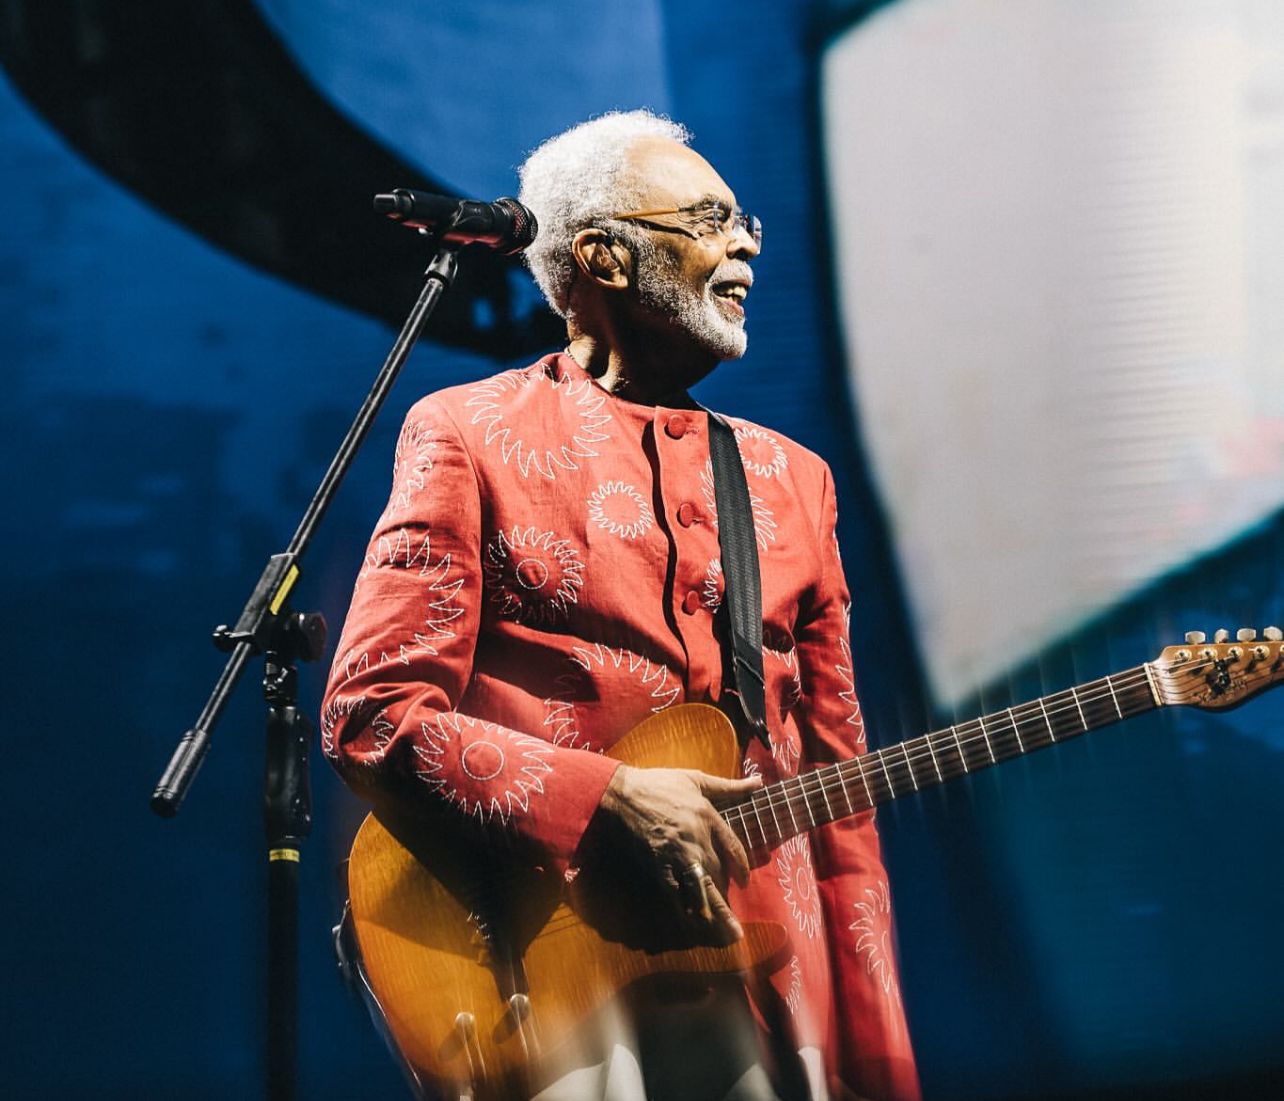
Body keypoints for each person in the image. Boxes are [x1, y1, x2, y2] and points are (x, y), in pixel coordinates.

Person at [322, 110, 919, 1101]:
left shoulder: (795, 480)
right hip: (558, 987)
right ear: (603, 254)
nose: (745, 247)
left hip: (773, 988)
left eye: (747, 225)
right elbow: (372, 715)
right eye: (711, 220)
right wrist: (603, 801)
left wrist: (876, 1058)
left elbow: (841, 798)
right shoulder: (467, 432)